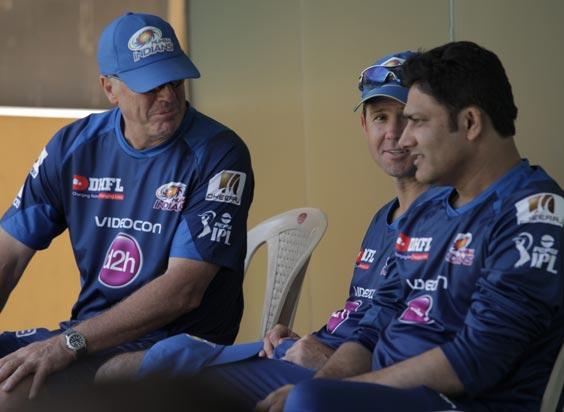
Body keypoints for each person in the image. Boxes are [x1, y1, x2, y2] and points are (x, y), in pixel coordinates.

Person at [95, 50, 445, 406]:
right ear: (364, 126)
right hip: (319, 355)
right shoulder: (385, 216)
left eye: (405, 117)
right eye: (380, 118)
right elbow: (363, 318)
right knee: (160, 358)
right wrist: (307, 340)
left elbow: (426, 343)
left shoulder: (449, 217)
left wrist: (325, 371)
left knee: (172, 385)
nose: (392, 133)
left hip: (349, 377)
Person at [270, 41, 563, 412]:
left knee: (309, 401)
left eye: (417, 122)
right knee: (193, 366)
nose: (403, 139)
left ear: (470, 123)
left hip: (460, 402)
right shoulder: (427, 211)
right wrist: (331, 383)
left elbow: (477, 359)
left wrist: (348, 390)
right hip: (385, 387)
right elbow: (377, 323)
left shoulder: (535, 213)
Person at [0, 11, 253, 406]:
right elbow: (6, 257)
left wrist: (69, 343)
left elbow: (184, 291)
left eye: (175, 81)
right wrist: (71, 341)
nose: (167, 96)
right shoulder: (73, 147)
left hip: (168, 347)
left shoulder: (219, 152)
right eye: (150, 85)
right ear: (109, 88)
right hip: (85, 336)